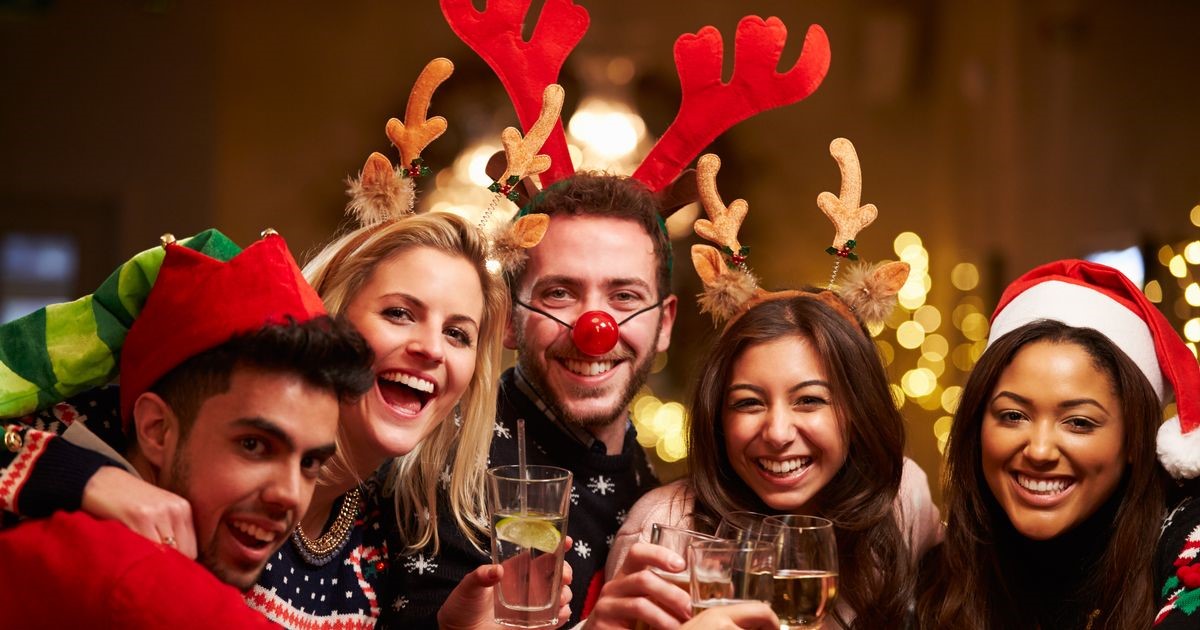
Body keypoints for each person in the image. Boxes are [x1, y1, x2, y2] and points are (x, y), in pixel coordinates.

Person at [0, 230, 377, 627]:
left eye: (310, 463)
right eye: (254, 445)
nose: (288, 495)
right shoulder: (127, 574)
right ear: (157, 429)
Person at [385, 173, 677, 626]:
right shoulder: (446, 457)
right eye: (559, 293)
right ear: (505, 318)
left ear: (666, 323)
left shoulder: (652, 484)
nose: (595, 330)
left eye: (624, 296)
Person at [600, 294, 941, 629]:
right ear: (718, 418)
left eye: (809, 400)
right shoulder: (664, 527)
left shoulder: (904, 497)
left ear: (856, 411)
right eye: (749, 403)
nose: (777, 434)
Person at [916, 259, 1196, 628]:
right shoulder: (939, 570)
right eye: (1013, 416)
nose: (1040, 450)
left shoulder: (1188, 540)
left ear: (1134, 441)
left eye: (1078, 423)